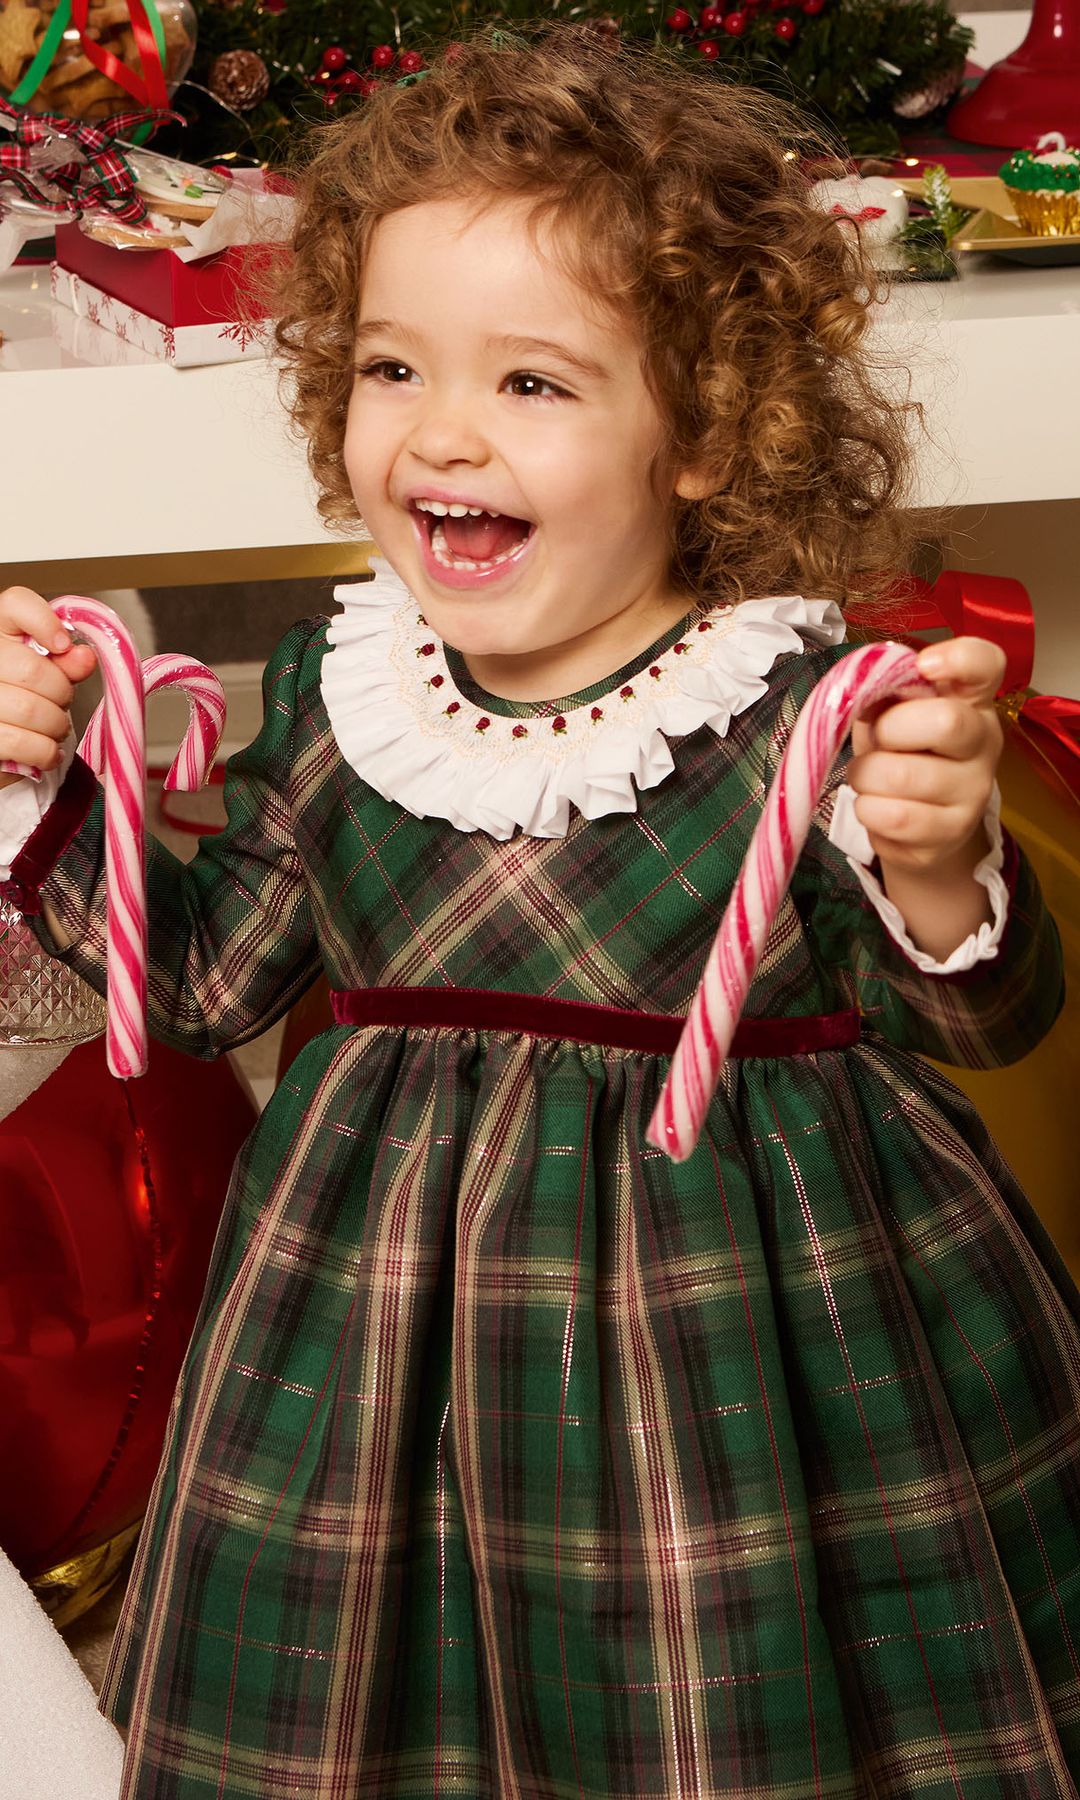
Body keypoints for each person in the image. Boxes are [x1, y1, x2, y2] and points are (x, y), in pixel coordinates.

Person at [1, 31, 1077, 1799]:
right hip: (366, 1342)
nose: (438, 431)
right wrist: (52, 784)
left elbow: (988, 1017)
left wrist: (940, 853)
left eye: (534, 386)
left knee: (742, 1716)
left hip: (749, 1346)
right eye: (394, 366)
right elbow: (189, 992)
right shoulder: (350, 701)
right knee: (366, 1711)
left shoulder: (802, 706)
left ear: (713, 432)